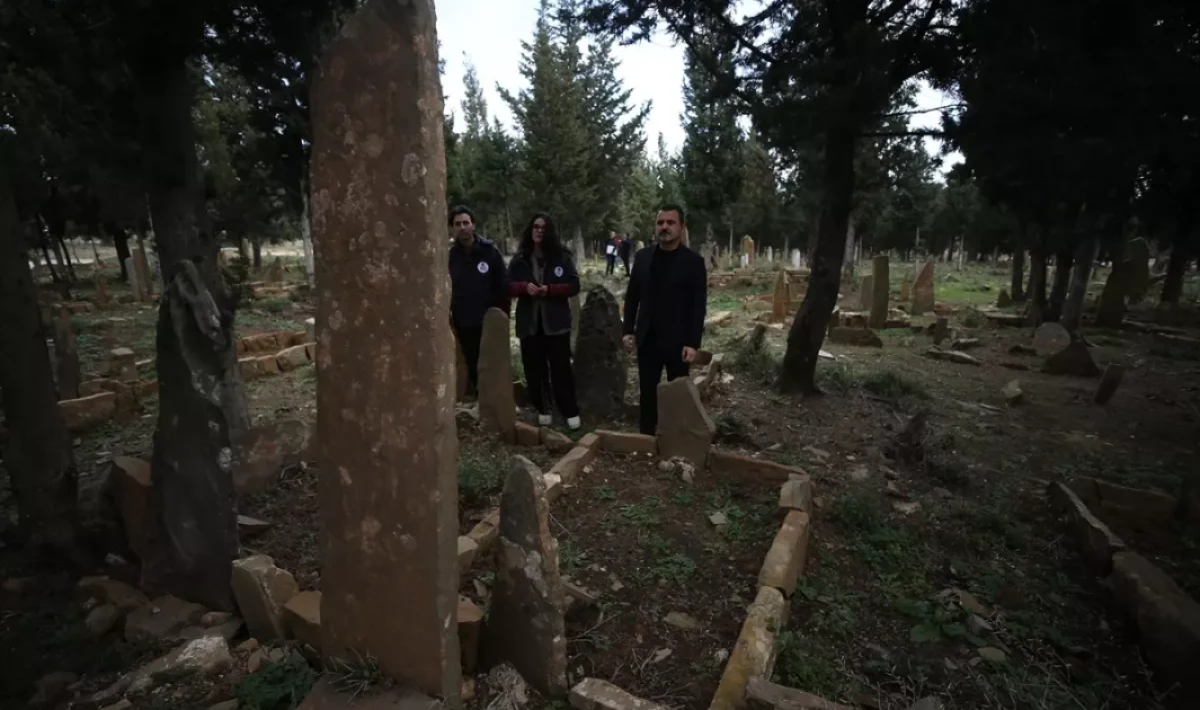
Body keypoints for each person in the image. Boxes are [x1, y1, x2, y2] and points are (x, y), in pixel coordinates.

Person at [622, 204, 707, 435]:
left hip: (678, 342)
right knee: (647, 392)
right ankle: (646, 437)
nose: (665, 227)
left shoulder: (693, 263)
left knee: (678, 394)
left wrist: (693, 342)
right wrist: (628, 330)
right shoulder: (642, 258)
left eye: (671, 223)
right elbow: (632, 298)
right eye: (660, 223)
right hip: (647, 338)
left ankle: (677, 437)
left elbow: (698, 306)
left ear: (681, 228)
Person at [508, 213, 582, 430]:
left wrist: (549, 290)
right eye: (536, 226)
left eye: (543, 227)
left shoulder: (562, 257)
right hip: (530, 324)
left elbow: (574, 285)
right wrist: (524, 288)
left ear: (549, 232)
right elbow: (507, 285)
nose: (539, 230)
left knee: (561, 367)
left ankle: (569, 409)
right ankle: (543, 407)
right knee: (534, 367)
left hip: (556, 324)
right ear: (530, 230)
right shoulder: (520, 258)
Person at [448, 205, 508, 396]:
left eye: (466, 223)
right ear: (452, 228)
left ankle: (496, 399)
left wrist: (502, 315)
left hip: (489, 321)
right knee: (471, 362)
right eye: (458, 224)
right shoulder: (449, 256)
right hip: (463, 321)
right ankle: (478, 398)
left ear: (473, 225)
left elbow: (503, 285)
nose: (462, 227)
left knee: (492, 363)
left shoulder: (490, 252)